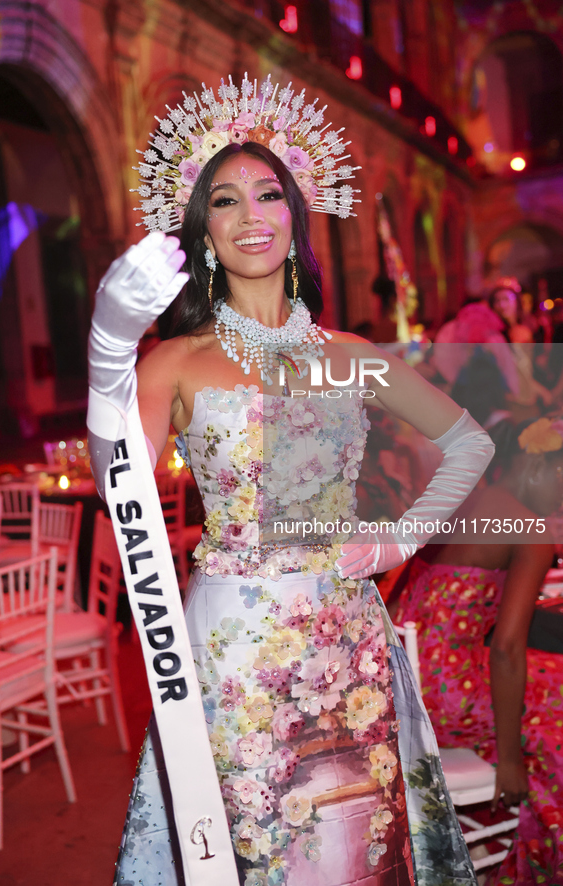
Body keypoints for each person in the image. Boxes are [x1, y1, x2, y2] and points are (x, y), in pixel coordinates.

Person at [87, 75, 494, 886]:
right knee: (253, 841)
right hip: (234, 643)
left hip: (346, 631)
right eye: (225, 201)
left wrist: (399, 538)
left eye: (266, 194)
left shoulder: (352, 355)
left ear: (292, 215)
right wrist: (108, 346)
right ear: (203, 228)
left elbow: (470, 444)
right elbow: (116, 487)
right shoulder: (175, 361)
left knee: (357, 843)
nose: (249, 216)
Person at [393, 415, 563, 885]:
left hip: (402, 681)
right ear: (533, 465)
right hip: (449, 693)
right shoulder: (531, 530)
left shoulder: (461, 499)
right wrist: (508, 759)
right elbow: (506, 649)